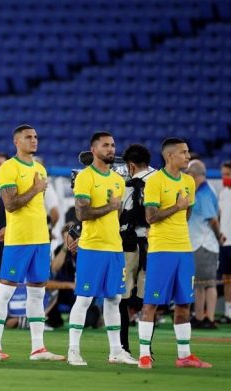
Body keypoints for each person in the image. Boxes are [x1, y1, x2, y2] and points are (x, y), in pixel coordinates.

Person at [0, 124, 64, 362]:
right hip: (19, 241)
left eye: (35, 137)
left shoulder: (40, 168)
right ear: (16, 142)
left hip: (41, 239)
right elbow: (10, 204)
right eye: (28, 137)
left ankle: (38, 348)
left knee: (37, 293)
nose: (34, 141)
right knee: (5, 291)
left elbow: (33, 208)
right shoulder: (9, 168)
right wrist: (35, 188)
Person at [138, 138, 211, 368]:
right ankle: (144, 355)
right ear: (170, 156)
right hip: (161, 250)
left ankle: (184, 356)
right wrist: (177, 207)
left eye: (188, 152)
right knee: (151, 304)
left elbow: (186, 216)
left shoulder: (189, 181)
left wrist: (181, 209)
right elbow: (150, 217)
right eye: (184, 152)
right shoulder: (155, 181)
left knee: (183, 304)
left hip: (184, 250)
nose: (188, 156)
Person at [67, 131, 137, 366]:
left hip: (114, 248)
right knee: (85, 299)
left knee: (115, 298)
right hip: (92, 247)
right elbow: (82, 213)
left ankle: (116, 351)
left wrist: (111, 210)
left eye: (113, 145)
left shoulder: (118, 181)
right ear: (94, 149)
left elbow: (116, 215)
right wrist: (109, 207)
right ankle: (73, 350)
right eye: (106, 145)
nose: (111, 149)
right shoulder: (85, 177)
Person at [118, 144, 155, 352]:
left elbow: (117, 213)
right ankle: (147, 350)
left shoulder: (124, 185)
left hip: (128, 245)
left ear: (130, 166)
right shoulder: (160, 179)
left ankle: (123, 348)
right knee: (148, 300)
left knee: (121, 300)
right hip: (153, 245)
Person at [187, 160, 224, 330]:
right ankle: (200, 317)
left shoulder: (205, 193)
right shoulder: (200, 192)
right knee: (199, 284)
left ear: (194, 175)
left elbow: (213, 220)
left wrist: (218, 237)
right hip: (197, 243)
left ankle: (209, 318)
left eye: (188, 175)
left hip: (204, 243)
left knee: (209, 283)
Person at [219, 160, 231, 324]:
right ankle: (228, 312)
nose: (224, 177)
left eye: (227, 174)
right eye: (222, 174)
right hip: (225, 242)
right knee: (227, 278)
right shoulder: (222, 193)